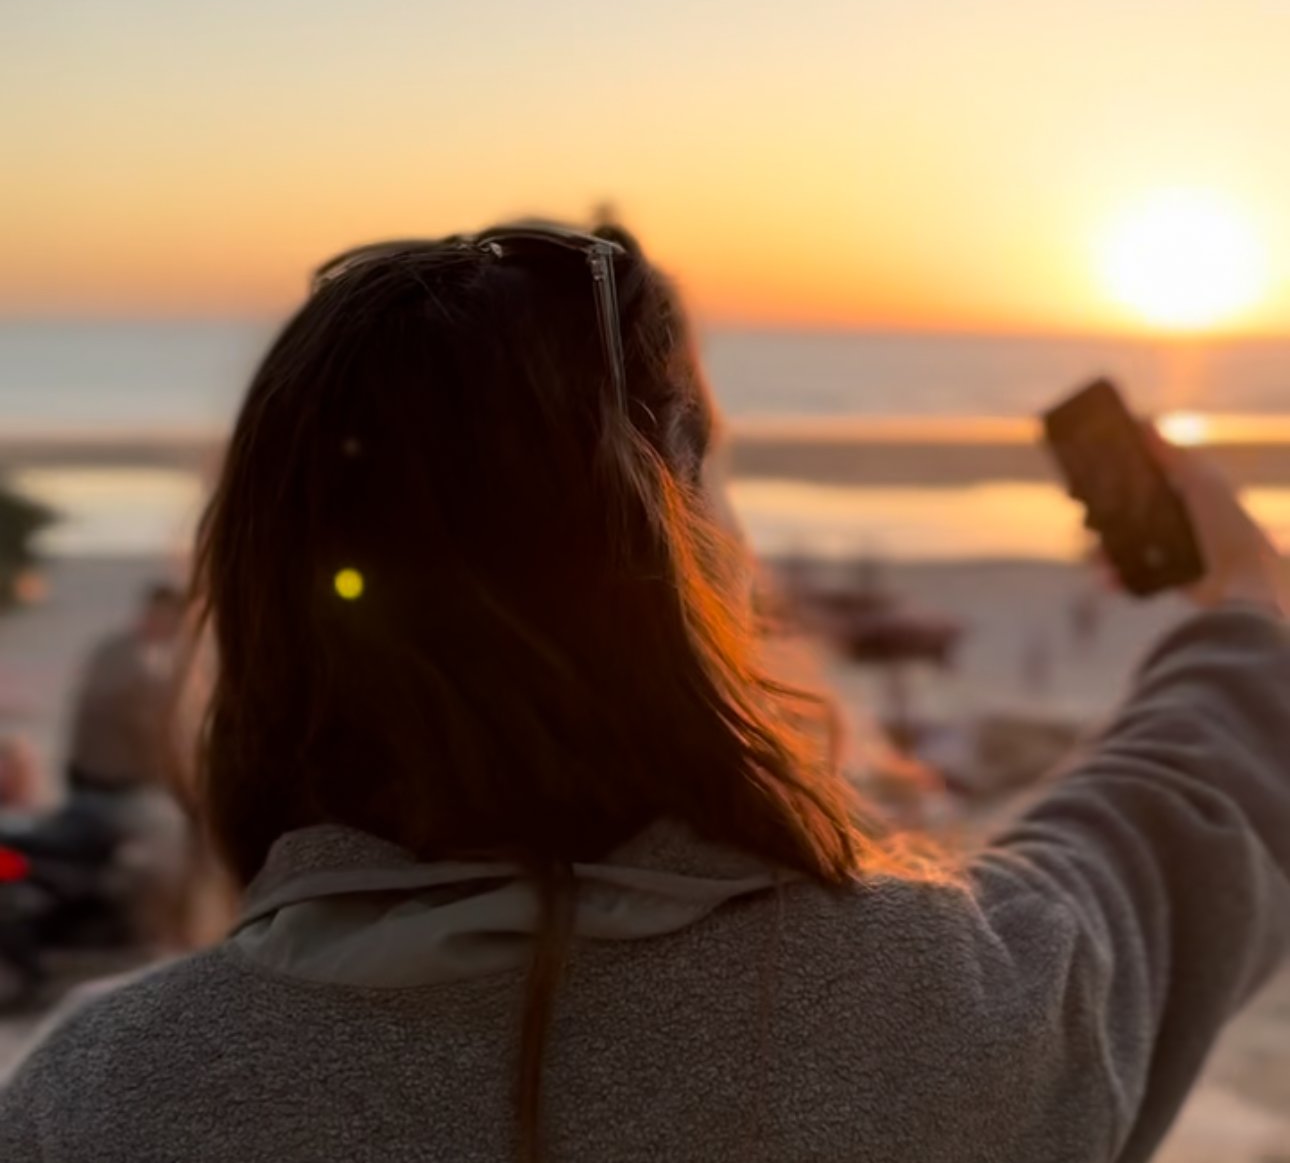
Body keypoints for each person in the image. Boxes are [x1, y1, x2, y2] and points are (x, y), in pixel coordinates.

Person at [2, 222, 1288, 1163]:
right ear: (668, 553)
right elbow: (1187, 821)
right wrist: (1238, 603)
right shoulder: (946, 1015)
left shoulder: (96, 1100)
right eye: (706, 476)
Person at [65, 582, 184, 796]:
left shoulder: (123, 651)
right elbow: (143, 725)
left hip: (103, 777)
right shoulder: (130, 659)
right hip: (110, 782)